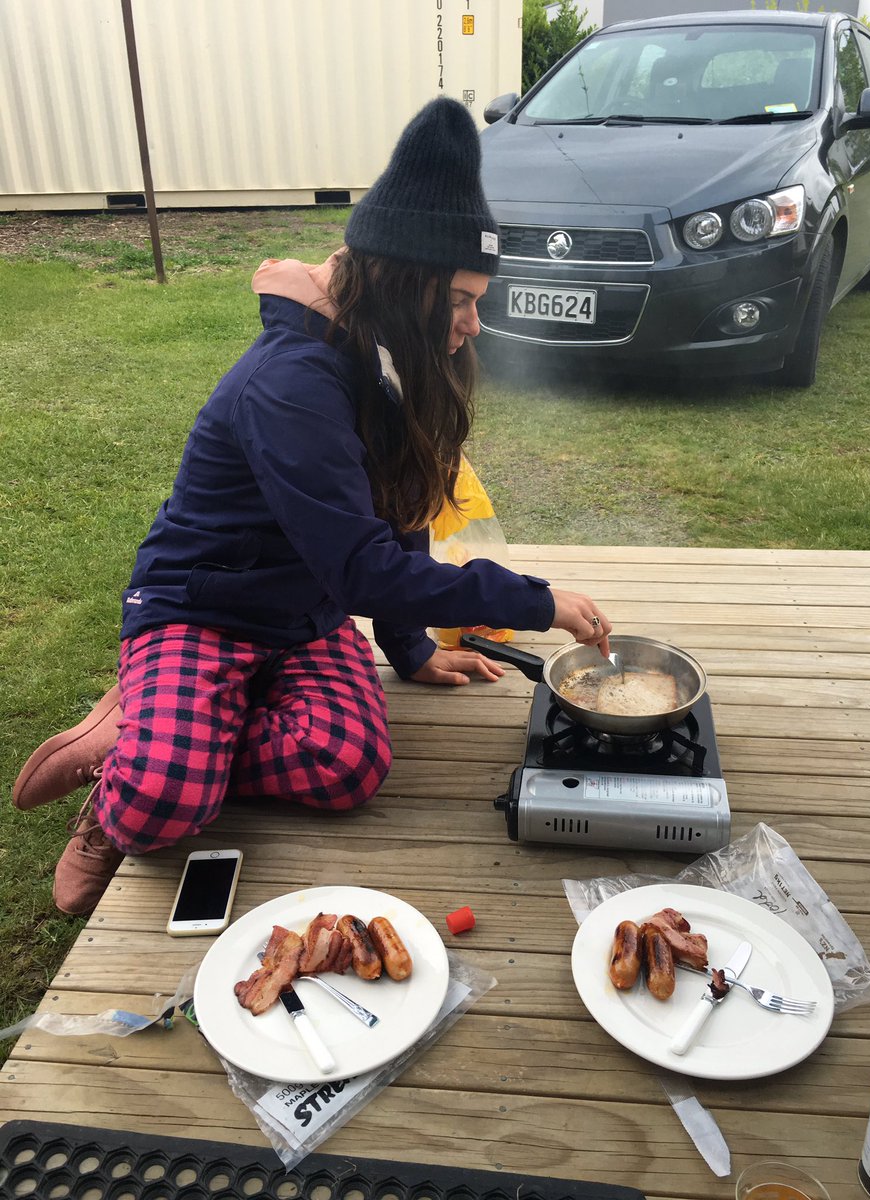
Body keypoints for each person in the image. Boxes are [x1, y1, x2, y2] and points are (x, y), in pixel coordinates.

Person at [11, 98, 612, 917]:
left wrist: (409, 651)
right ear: (408, 285)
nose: (475, 325)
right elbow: (366, 571)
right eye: (463, 301)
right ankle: (127, 768)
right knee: (164, 803)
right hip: (202, 609)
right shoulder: (292, 383)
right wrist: (533, 599)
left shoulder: (388, 359)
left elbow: (398, 521)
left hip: (303, 615)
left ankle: (183, 739)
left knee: (350, 767)